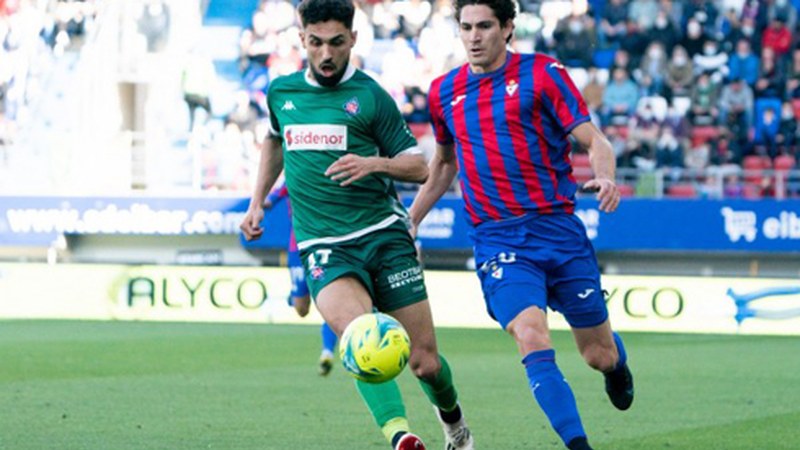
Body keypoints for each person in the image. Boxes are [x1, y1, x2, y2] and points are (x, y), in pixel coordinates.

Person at [239, 2, 474, 449]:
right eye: (316, 42)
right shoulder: (282, 93)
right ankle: (401, 436)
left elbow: (421, 167)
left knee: (425, 363)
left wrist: (374, 164)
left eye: (336, 42)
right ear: (302, 39)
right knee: (360, 338)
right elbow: (273, 141)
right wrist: (258, 202)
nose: (326, 53)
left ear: (352, 39)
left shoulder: (370, 96)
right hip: (324, 246)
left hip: (384, 238)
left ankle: (454, 422)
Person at [409, 1, 634, 449]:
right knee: (530, 334)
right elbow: (443, 165)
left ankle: (616, 365)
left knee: (597, 354)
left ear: (507, 28)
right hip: (497, 237)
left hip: (558, 230)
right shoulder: (443, 92)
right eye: (466, 27)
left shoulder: (544, 74)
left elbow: (595, 140)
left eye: (485, 26)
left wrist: (605, 176)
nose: (474, 36)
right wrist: (409, 221)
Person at [263, 176, 338, 376]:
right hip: (298, 248)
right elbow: (270, 199)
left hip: (327, 246)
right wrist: (257, 205)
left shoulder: (330, 173)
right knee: (301, 309)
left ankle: (327, 351)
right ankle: (292, 297)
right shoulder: (294, 175)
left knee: (330, 303)